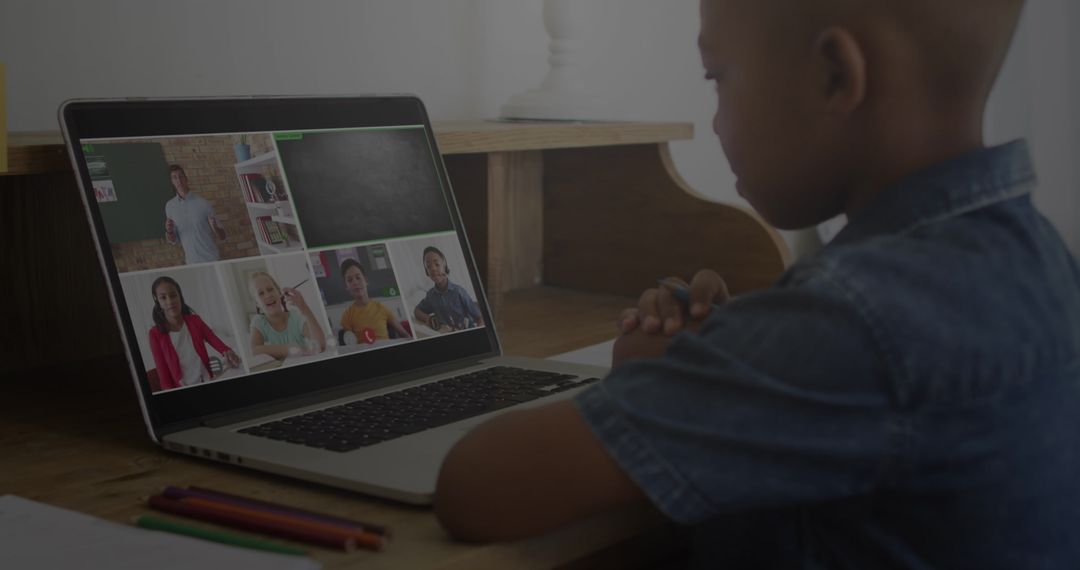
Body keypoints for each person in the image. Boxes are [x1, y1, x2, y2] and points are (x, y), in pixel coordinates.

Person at [434, 0, 1080, 567]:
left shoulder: (853, 319)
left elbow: (477, 488)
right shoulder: (1037, 257)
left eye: (718, 78)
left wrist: (709, 372)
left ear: (835, 74)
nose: (713, 120)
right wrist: (721, 360)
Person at [147, 276, 240, 391]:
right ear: (158, 302)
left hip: (207, 380)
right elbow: (163, 375)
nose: (170, 301)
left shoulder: (195, 320)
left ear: (180, 296)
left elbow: (212, 338)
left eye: (173, 295)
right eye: (163, 298)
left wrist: (227, 351)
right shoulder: (155, 334)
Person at [249, 271, 326, 360]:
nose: (268, 295)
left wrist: (304, 308)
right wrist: (291, 349)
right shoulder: (258, 322)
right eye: (261, 293)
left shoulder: (296, 318)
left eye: (270, 289)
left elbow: (320, 346)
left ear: (279, 292)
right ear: (257, 303)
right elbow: (254, 351)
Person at [164, 164, 227, 264]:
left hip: (212, 259)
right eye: (175, 178)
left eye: (181, 176)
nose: (179, 180)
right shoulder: (170, 206)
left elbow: (223, 237)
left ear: (186, 178)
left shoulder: (203, 203)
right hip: (191, 262)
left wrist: (215, 227)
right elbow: (174, 240)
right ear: (172, 182)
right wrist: (169, 231)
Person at [413, 246, 484, 332]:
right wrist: (428, 319)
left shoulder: (459, 291)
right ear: (426, 272)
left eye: (437, 264)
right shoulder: (431, 296)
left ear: (445, 266)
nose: (433, 269)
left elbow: (479, 317)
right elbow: (417, 311)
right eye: (428, 266)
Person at [339, 259, 410, 343]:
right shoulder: (347, 316)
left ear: (366, 281)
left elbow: (405, 335)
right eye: (350, 280)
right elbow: (349, 346)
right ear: (346, 286)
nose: (355, 282)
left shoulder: (382, 308)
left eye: (358, 277)